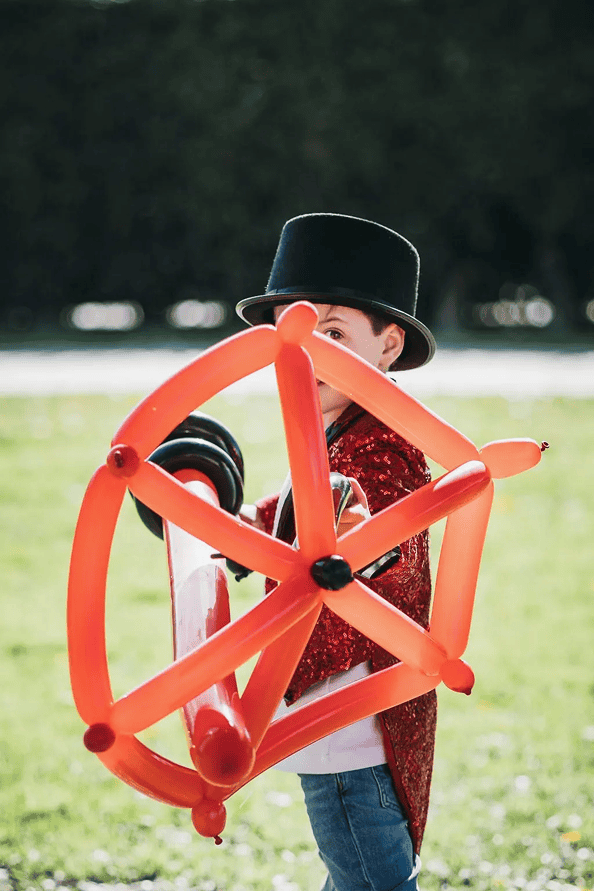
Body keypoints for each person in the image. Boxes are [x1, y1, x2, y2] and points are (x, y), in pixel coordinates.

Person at [236, 213, 437, 891]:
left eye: (333, 333)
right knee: (358, 873)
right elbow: (295, 504)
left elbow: (369, 523)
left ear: (388, 345)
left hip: (352, 712)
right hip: (338, 713)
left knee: (372, 878)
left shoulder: (384, 441)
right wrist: (239, 525)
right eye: (292, 333)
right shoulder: (337, 428)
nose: (308, 352)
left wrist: (355, 537)